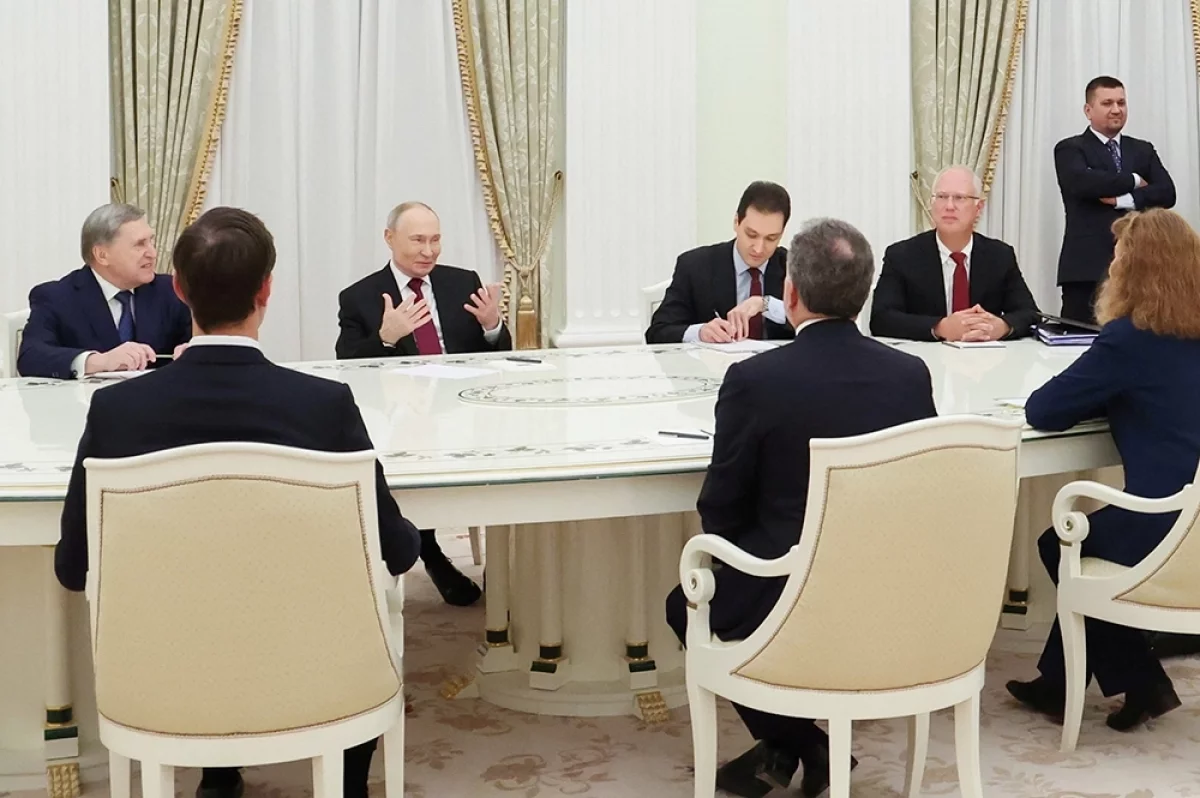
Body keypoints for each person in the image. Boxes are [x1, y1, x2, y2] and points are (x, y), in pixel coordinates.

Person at [55, 206, 421, 798]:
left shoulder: (117, 410)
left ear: (179, 289)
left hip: (166, 672)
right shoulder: (322, 405)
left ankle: (217, 774)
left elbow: (73, 566)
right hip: (311, 666)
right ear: (266, 291)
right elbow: (397, 550)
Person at [664, 218, 937, 798]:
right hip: (888, 589)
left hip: (786, 589)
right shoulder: (910, 375)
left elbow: (720, 511)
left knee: (684, 602)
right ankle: (802, 747)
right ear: (864, 293)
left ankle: (802, 744)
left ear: (789, 293)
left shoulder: (755, 379)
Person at [1007, 208, 1200, 733]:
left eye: (1117, 257)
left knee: (1059, 543)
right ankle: (1057, 682)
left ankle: (1144, 682)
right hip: (1195, 521)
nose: (1110, 266)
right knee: (1083, 544)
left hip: (1165, 522)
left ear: (1135, 268)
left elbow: (1044, 410)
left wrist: (1105, 394)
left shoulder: (1129, 340)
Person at [336, 201, 509, 606]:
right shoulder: (360, 296)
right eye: (417, 240)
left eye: (435, 240)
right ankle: (431, 554)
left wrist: (492, 326)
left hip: (464, 411)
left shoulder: (462, 282)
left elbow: (500, 355)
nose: (428, 251)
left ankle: (504, 565)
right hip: (400, 415)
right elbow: (347, 365)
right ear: (389, 238)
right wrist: (386, 338)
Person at [18, 203, 192, 378]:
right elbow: (31, 356)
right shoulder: (57, 297)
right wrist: (100, 361)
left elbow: (197, 338)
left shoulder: (170, 290)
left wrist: (192, 350)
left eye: (151, 241)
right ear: (102, 255)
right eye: (140, 244)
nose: (152, 253)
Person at [1054, 76, 1175, 323]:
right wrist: (1134, 180)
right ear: (1088, 110)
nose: (1117, 109)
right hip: (1087, 268)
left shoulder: (1142, 149)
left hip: (1139, 266)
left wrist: (1123, 200)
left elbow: (1167, 192)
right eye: (1107, 103)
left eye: (1121, 102)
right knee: (1081, 338)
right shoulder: (1071, 148)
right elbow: (1083, 183)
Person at [871, 165, 1039, 341]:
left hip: (985, 354)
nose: (949, 206)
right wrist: (940, 328)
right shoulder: (902, 256)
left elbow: (1031, 314)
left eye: (959, 198)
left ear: (979, 207)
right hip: (924, 355)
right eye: (942, 197)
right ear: (932, 203)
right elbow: (881, 319)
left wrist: (1002, 327)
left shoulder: (1000, 256)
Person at [645, 181, 794, 344]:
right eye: (751, 235)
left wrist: (766, 305)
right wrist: (700, 332)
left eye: (771, 238)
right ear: (736, 222)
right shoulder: (695, 266)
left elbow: (814, 324)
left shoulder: (795, 267)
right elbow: (658, 332)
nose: (759, 249)